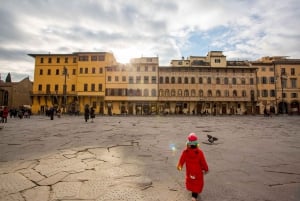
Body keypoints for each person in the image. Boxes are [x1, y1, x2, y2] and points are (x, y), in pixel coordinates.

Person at [177, 133, 209, 201]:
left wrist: (179, 167)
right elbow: (203, 162)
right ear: (196, 144)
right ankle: (194, 196)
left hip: (190, 171)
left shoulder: (185, 152)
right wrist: (206, 169)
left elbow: (181, 160)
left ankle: (193, 195)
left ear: (188, 143)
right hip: (198, 172)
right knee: (197, 182)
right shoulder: (200, 152)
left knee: (191, 181)